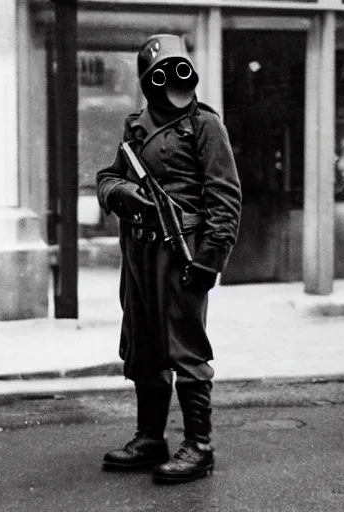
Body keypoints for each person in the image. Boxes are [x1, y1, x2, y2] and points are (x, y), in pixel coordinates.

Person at [96, 34, 242, 484]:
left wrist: (210, 259)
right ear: (147, 81)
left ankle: (199, 447)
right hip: (138, 254)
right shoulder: (134, 126)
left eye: (180, 68)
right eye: (162, 73)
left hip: (183, 254)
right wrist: (123, 192)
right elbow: (107, 178)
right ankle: (150, 438)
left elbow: (226, 196)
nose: (173, 82)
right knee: (144, 345)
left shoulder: (204, 125)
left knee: (185, 348)